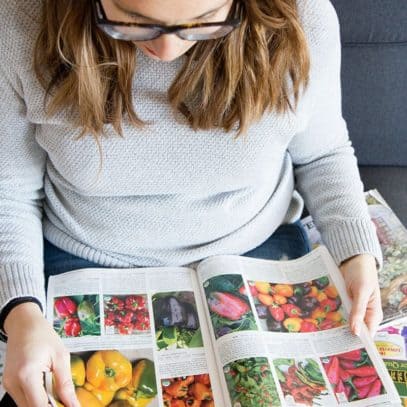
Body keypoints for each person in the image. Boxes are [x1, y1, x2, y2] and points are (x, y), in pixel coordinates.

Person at [0, 0, 383, 405]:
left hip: (257, 247)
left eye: (202, 22)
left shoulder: (306, 20)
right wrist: (20, 312)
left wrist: (355, 254)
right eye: (132, 21)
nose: (166, 51)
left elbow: (322, 154)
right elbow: (9, 190)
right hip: (83, 253)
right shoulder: (21, 20)